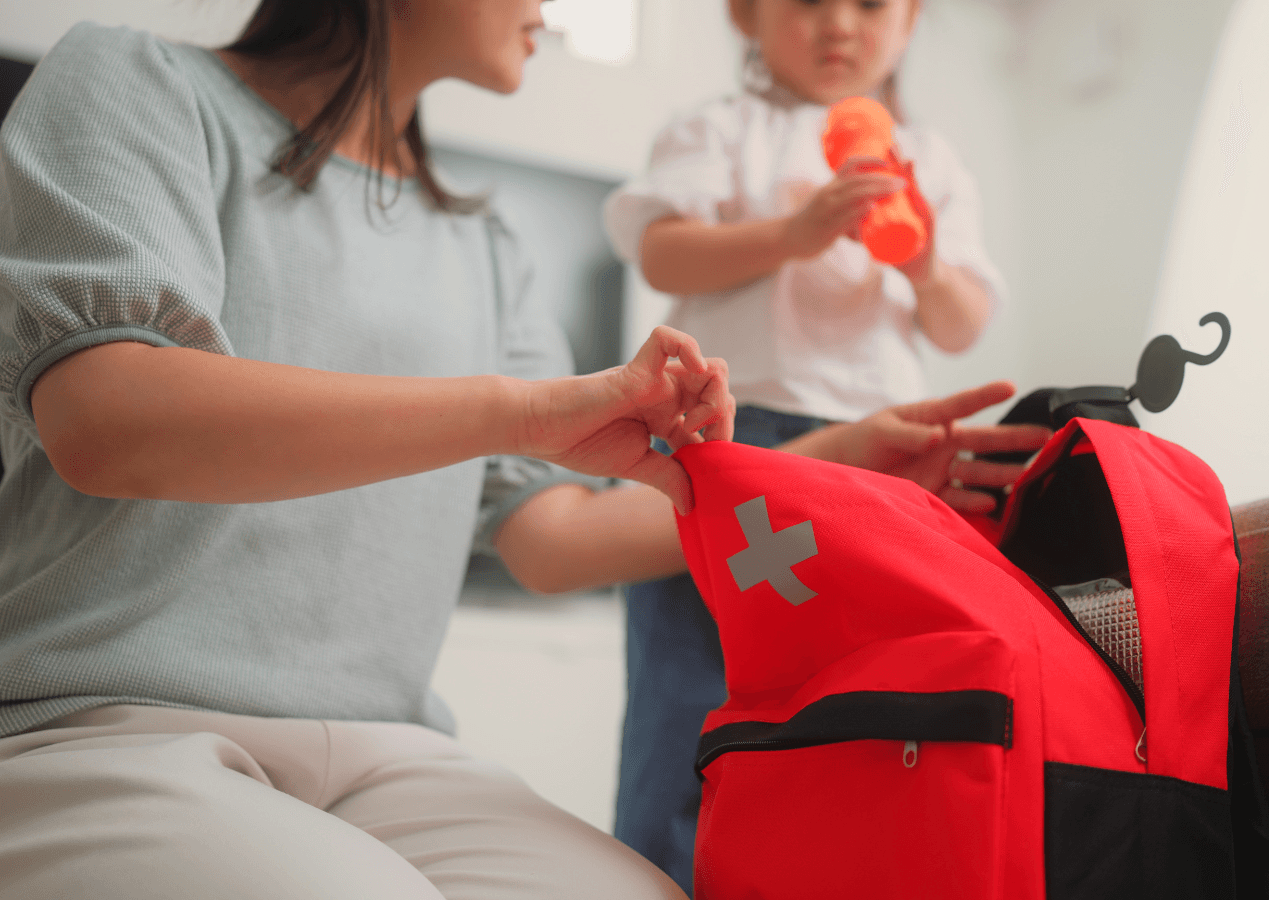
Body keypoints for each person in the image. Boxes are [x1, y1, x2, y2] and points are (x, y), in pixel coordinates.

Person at [0, 1, 1045, 898]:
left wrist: (837, 462)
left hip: (393, 756)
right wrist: (516, 410)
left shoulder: (484, 248)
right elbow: (109, 418)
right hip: (104, 727)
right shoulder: (132, 82)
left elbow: (550, 538)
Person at [602, 0, 1008, 890]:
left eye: (869, 5)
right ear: (746, 15)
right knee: (689, 685)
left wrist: (926, 267)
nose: (838, 26)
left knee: (853, 684)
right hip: (734, 440)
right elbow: (664, 254)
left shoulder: (928, 161)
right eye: (807, 3)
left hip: (877, 457)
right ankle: (660, 874)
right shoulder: (722, 127)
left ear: (910, 20)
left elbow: (962, 321)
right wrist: (794, 234)